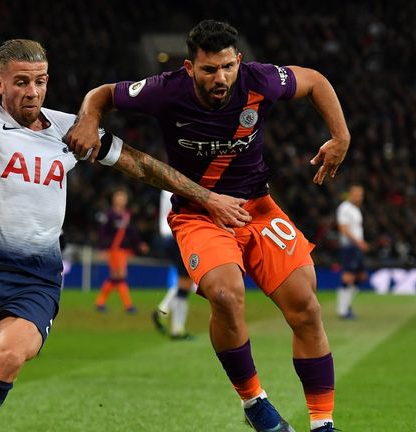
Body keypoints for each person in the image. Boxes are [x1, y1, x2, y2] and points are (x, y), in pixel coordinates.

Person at [0, 29, 250, 432]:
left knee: (7, 358)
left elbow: (141, 165)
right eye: (21, 82)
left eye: (40, 81)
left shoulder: (70, 131)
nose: (32, 91)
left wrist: (208, 198)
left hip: (33, 282)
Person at [64, 19, 350, 432]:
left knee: (306, 306)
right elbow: (104, 94)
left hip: (258, 207)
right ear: (189, 67)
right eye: (209, 70)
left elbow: (316, 81)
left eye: (227, 68)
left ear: (238, 61)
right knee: (225, 294)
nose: (221, 78)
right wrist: (89, 116)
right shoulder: (165, 90)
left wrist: (340, 136)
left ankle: (323, 424)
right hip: (199, 214)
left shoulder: (262, 80)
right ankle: (255, 402)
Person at [95, 187, 148, 313]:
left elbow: (132, 232)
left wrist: (139, 243)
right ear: (114, 199)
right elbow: (103, 233)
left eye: (123, 197)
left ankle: (101, 302)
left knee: (116, 277)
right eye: (118, 197)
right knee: (120, 276)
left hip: (123, 249)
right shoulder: (109, 215)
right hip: (114, 249)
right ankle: (128, 306)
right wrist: (103, 249)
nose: (121, 200)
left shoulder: (126, 215)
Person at [152, 190, 195, 340]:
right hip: (177, 234)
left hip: (171, 235)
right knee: (187, 283)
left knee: (187, 284)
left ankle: (177, 330)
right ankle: (162, 311)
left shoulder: (166, 185)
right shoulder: (179, 185)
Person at [336, 184, 368, 320]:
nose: (361, 197)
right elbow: (343, 228)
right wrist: (358, 242)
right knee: (348, 276)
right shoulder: (345, 208)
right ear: (351, 194)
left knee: (361, 276)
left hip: (356, 247)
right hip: (350, 247)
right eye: (358, 194)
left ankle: (346, 304)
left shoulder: (355, 209)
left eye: (361, 194)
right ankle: (342, 310)